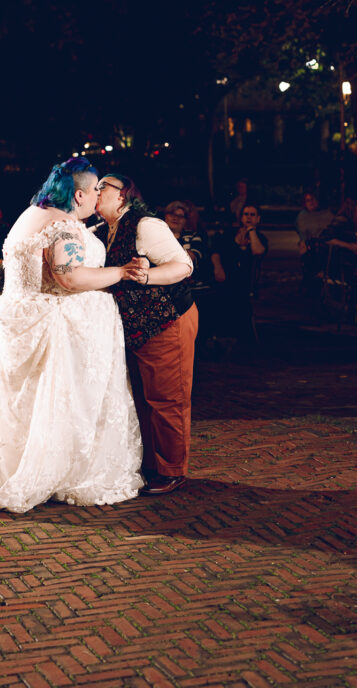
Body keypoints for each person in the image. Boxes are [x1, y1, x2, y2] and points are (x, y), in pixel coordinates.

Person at [0, 158, 145, 514]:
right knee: (60, 400)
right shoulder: (63, 225)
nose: (97, 196)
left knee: (26, 402)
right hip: (54, 327)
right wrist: (119, 272)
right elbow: (69, 278)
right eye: (94, 191)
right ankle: (62, 471)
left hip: (17, 320)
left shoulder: (30, 215)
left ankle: (17, 466)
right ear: (78, 195)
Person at [96, 173, 197, 496]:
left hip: (166, 320)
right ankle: (152, 464)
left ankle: (172, 470)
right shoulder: (105, 230)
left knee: (168, 398)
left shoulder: (145, 225)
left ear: (123, 195)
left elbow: (183, 265)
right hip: (136, 327)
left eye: (103, 188)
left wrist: (147, 276)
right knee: (143, 397)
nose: (96, 192)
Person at [211, 204, 268, 344]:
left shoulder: (260, 238)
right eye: (246, 214)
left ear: (258, 218)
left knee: (239, 294)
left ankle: (240, 335)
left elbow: (258, 251)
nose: (249, 217)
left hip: (246, 279)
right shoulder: (229, 234)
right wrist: (218, 268)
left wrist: (252, 231)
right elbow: (216, 251)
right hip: (226, 274)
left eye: (253, 215)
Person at [294, 192, 333, 290]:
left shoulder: (327, 214)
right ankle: (310, 280)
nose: (311, 203)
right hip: (310, 244)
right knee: (306, 250)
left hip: (326, 243)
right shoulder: (302, 216)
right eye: (308, 200)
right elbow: (302, 233)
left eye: (312, 200)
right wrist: (304, 242)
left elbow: (331, 230)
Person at [163, 201, 205, 275]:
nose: (175, 218)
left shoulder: (193, 236)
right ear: (165, 216)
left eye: (180, 216)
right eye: (172, 214)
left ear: (185, 220)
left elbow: (191, 258)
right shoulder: (158, 234)